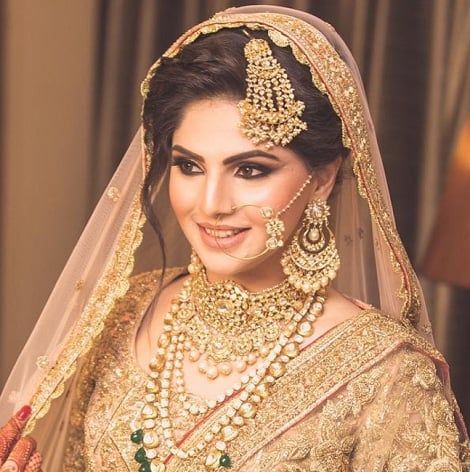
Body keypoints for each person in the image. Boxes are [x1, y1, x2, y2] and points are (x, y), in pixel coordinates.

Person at [0, 5, 468, 471]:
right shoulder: (126, 308)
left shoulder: (388, 371)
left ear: (323, 178)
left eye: (249, 170)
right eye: (189, 165)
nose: (211, 203)